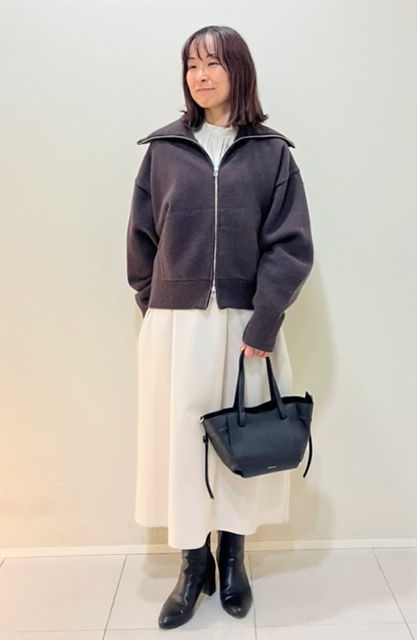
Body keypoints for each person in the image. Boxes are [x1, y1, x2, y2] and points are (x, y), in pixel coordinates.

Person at [126, 25, 314, 630]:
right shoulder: (163, 150)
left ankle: (233, 560)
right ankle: (193, 566)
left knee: (241, 442)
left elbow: (290, 246)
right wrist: (157, 306)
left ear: (238, 70)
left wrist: (265, 320)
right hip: (175, 328)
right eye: (191, 65)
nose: (200, 76)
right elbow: (141, 240)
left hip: (245, 325)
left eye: (212, 63)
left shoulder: (272, 153)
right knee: (184, 447)